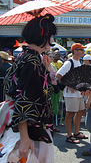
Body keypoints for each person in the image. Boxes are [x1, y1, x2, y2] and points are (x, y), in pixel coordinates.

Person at [2, 14, 56, 162]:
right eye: (51, 36)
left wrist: (44, 71)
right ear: (44, 37)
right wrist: (25, 138)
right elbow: (24, 100)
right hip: (31, 131)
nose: (52, 41)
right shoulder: (32, 62)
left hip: (27, 128)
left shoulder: (24, 57)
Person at [56, 43, 88, 144]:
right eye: (81, 50)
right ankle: (69, 135)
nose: (83, 52)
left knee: (80, 111)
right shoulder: (69, 63)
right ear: (75, 51)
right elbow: (58, 75)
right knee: (70, 113)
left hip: (78, 93)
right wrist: (69, 85)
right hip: (70, 94)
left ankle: (76, 132)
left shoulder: (78, 62)